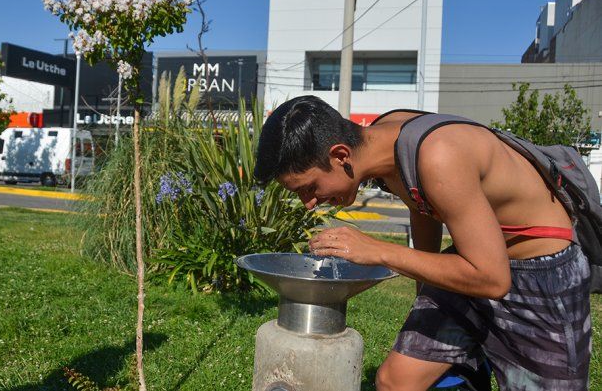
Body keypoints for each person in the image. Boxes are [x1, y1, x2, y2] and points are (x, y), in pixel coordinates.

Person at [253, 95, 591, 391]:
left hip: (542, 274)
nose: (308, 202)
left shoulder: (438, 155)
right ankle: (473, 356)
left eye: (309, 188)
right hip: (478, 259)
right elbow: (421, 201)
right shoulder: (383, 139)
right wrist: (426, 297)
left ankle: (477, 358)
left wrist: (379, 250)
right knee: (395, 382)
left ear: (341, 155)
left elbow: (493, 279)